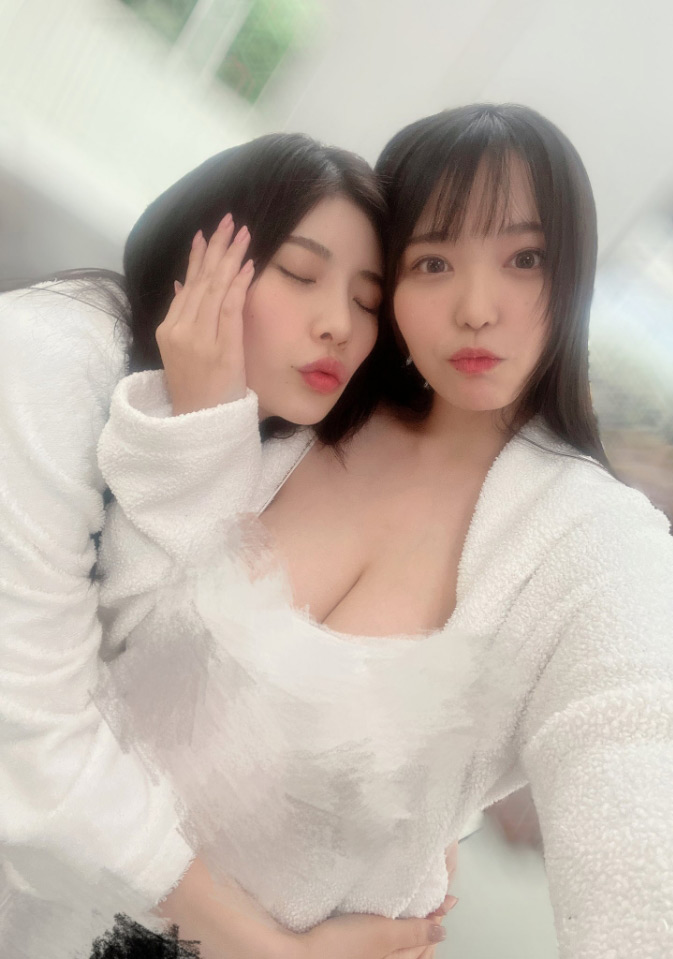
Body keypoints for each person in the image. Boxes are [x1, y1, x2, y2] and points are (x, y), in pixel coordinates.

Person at [97, 102, 673, 959]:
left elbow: (658, 748)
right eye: (432, 261)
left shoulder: (592, 544)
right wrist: (196, 425)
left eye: (524, 258)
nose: (476, 308)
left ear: (573, 271)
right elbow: (95, 658)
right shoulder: (294, 412)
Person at [0, 133, 447, 959]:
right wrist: (262, 946)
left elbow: (153, 688)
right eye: (301, 273)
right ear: (199, 257)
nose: (337, 324)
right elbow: (32, 738)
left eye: (366, 301)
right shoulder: (48, 355)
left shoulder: (274, 440)